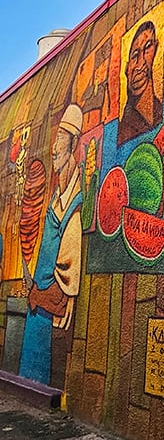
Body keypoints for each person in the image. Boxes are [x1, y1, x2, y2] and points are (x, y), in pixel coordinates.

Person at [19, 104, 83, 385]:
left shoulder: (75, 201)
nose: (53, 148)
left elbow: (70, 266)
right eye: (55, 139)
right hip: (39, 299)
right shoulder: (58, 193)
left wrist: (47, 293)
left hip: (50, 304)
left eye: (60, 138)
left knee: (43, 368)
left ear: (74, 144)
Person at [118, 20, 162, 145]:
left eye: (148, 47)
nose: (140, 62)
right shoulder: (123, 129)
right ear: (127, 68)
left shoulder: (161, 111)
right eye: (135, 55)